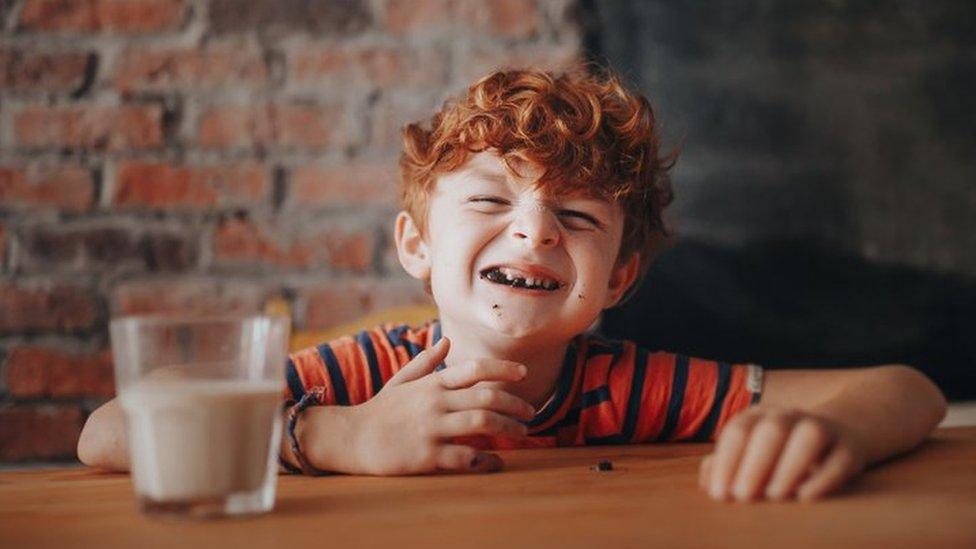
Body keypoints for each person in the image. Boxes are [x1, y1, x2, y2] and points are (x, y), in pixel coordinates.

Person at [78, 65, 946, 502]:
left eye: (579, 217)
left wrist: (834, 433)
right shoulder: (368, 378)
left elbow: (905, 388)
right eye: (493, 199)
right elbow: (108, 429)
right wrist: (342, 438)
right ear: (416, 245)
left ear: (619, 279)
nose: (534, 229)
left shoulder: (633, 388)